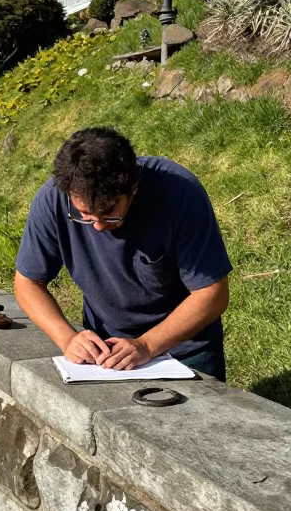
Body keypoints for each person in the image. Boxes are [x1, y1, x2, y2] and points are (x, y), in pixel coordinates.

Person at [14, 127, 232, 380]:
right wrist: (67, 338)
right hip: (105, 353)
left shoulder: (179, 193)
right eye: (84, 214)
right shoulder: (51, 201)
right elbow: (28, 282)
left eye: (109, 212)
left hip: (185, 347)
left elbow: (212, 294)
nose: (97, 225)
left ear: (134, 185)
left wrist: (146, 345)